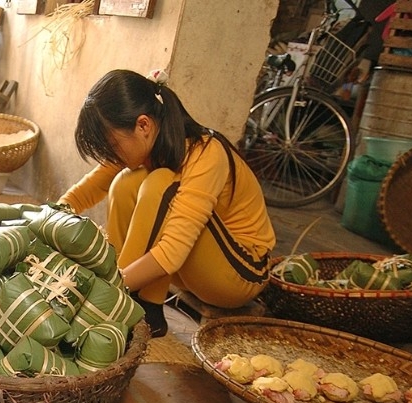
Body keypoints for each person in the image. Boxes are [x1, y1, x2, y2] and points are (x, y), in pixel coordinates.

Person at [58, 69, 276, 337]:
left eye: (112, 144)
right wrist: (48, 219)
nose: (110, 155)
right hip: (190, 271)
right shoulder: (143, 145)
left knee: (161, 184)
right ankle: (145, 305)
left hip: (240, 275)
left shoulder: (206, 152)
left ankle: (126, 298)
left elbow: (173, 251)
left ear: (143, 126)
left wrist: (106, 292)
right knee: (126, 181)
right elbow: (85, 192)